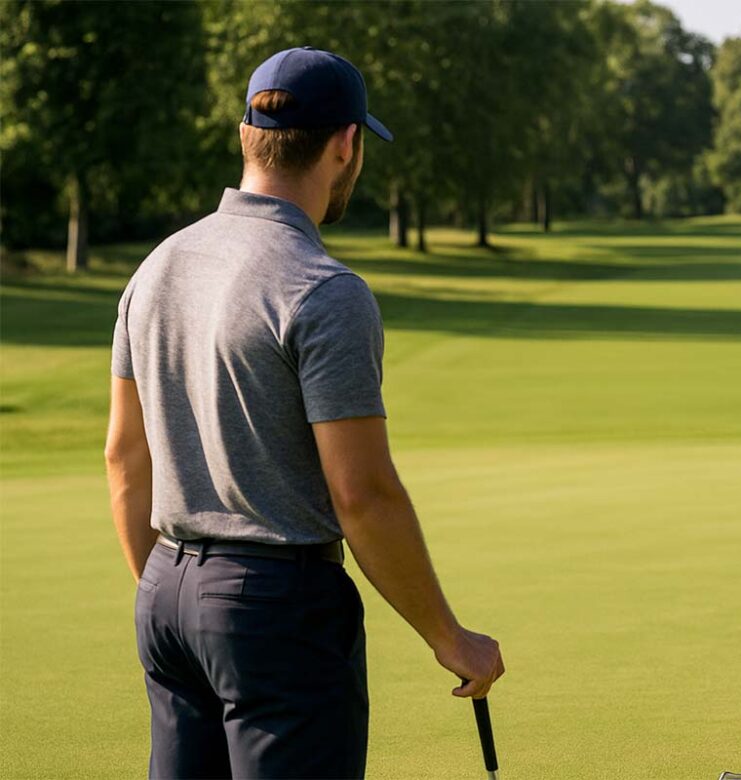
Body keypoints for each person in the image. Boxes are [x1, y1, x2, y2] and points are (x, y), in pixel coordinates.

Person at [104, 47, 504, 779]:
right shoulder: (322, 288)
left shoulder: (158, 264)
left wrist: (173, 597)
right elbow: (362, 495)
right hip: (274, 609)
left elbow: (125, 459)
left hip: (165, 590)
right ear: (347, 144)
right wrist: (449, 637)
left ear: (247, 135)